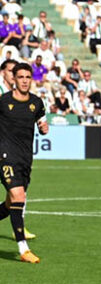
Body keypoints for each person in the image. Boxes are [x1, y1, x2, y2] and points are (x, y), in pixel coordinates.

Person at [0, 63, 49, 263]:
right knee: (19, 196)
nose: (24, 80)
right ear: (13, 79)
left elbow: (41, 121)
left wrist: (44, 128)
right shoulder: (3, 102)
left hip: (25, 159)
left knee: (12, 203)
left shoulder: (37, 103)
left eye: (28, 77)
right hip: (5, 156)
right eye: (20, 77)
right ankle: (23, 248)